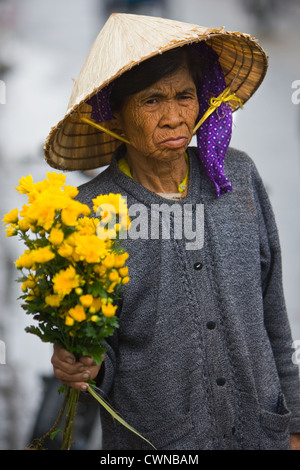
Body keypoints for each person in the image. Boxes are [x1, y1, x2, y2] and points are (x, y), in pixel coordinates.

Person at [45, 13, 300, 450]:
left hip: (263, 434)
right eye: (151, 101)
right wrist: (85, 365)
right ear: (116, 117)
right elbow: (100, 349)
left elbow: (273, 314)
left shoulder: (238, 175)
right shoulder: (89, 213)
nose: (173, 117)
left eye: (185, 96)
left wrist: (294, 424)